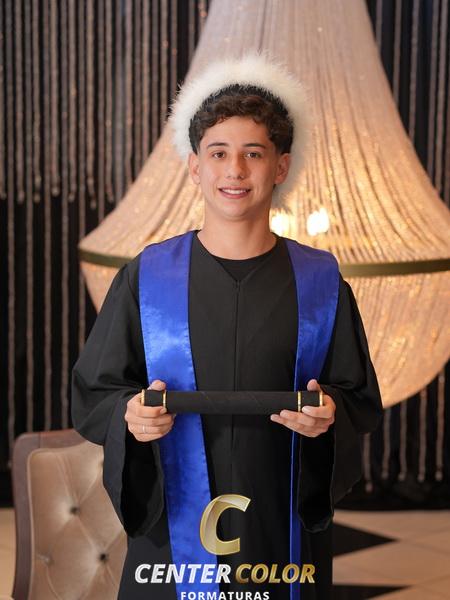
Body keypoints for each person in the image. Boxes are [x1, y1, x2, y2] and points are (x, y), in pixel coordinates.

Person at [71, 54, 383, 600]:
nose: (234, 170)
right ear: (195, 167)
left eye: (253, 154)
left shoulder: (321, 281)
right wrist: (130, 415)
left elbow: (357, 397)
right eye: (218, 153)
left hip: (279, 520)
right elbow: (96, 392)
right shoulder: (148, 277)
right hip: (174, 531)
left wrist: (329, 411)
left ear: (280, 167)